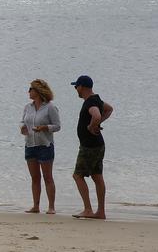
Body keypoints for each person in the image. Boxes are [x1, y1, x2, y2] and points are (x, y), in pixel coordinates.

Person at [70, 75, 114, 220]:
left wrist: (92, 125)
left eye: (76, 86)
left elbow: (95, 115)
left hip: (89, 146)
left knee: (78, 175)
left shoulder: (90, 102)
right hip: (97, 145)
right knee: (97, 176)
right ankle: (100, 212)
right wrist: (98, 123)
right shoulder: (97, 99)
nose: (76, 89)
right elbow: (109, 109)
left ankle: (88, 209)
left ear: (82, 87)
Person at [20, 79, 61, 214]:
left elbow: (57, 126)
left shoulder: (50, 107)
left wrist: (45, 127)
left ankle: (51, 207)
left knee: (47, 177)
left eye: (31, 89)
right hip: (30, 145)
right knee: (35, 177)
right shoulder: (28, 107)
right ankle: (36, 206)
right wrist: (22, 128)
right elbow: (22, 121)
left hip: (45, 145)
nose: (29, 92)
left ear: (38, 91)